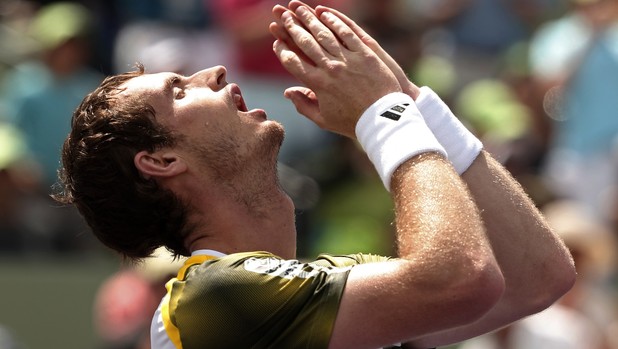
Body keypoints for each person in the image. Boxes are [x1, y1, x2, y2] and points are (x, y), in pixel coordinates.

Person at [53, 1, 575, 348]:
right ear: (163, 162)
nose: (211, 73)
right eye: (180, 91)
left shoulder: (293, 294)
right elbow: (461, 278)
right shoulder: (210, 298)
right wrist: (385, 113)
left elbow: (536, 278)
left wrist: (413, 102)